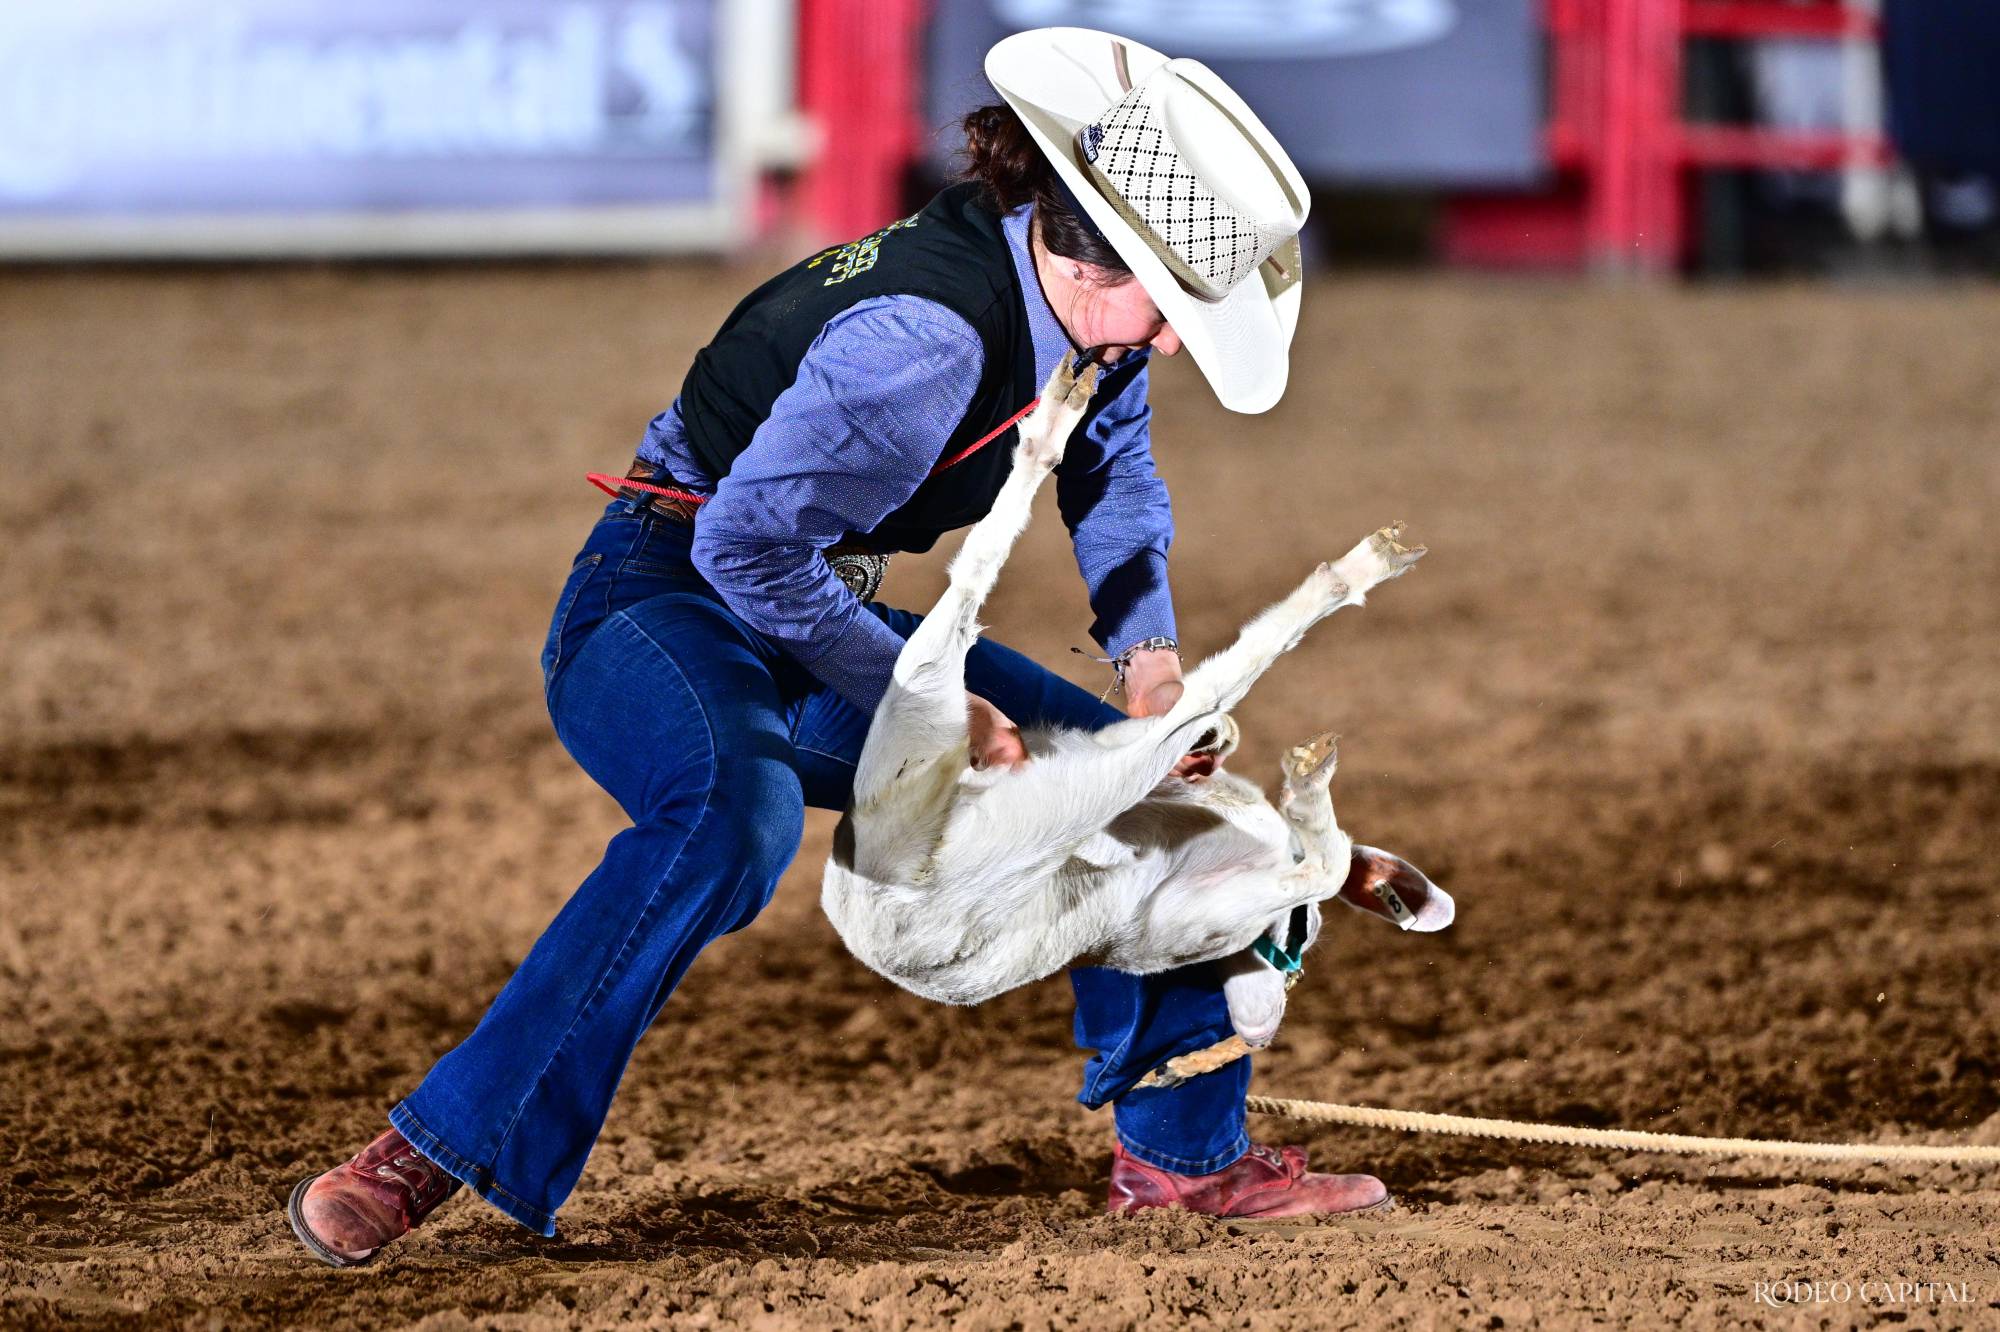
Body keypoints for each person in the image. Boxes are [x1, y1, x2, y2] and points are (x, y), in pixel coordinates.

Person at [286, 27, 1387, 1268]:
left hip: (811, 603)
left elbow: (1111, 466)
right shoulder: (924, 342)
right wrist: (939, 711)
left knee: (1136, 779)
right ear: (1089, 257)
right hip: (662, 595)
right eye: (1168, 304)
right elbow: (742, 554)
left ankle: (1185, 1161)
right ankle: (433, 1151)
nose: (1174, 341)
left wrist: (1148, 668)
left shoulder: (1073, 306)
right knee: (727, 816)